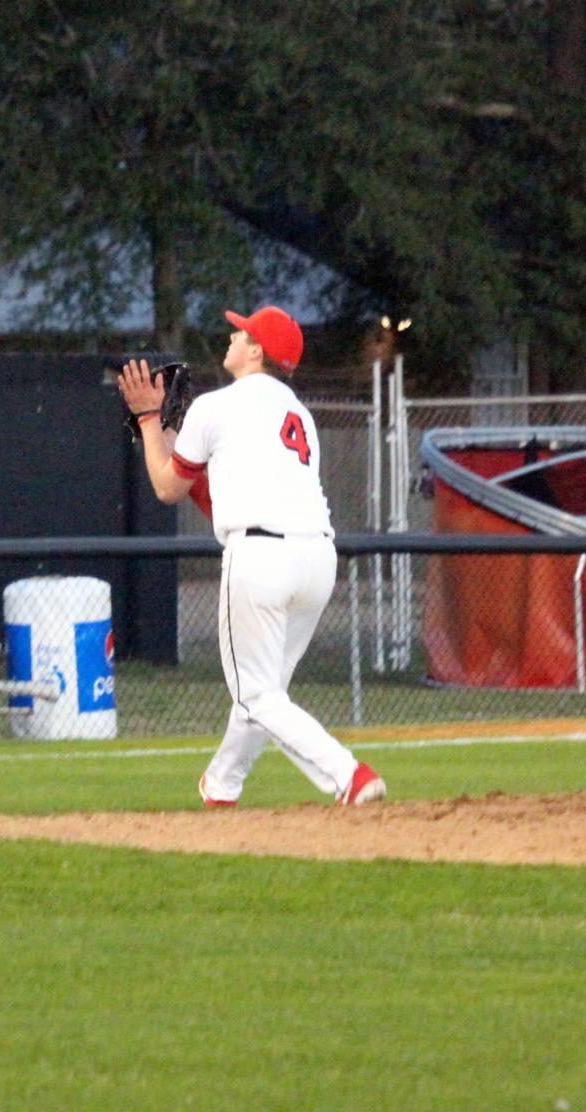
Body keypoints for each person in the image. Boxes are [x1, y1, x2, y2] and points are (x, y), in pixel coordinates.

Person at [118, 305, 386, 807]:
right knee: (265, 691)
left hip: (261, 559)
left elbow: (166, 486)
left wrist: (150, 421)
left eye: (241, 332)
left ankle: (349, 775)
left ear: (256, 350)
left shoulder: (216, 407)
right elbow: (213, 489)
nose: (232, 336)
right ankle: (221, 785)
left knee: (256, 695)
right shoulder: (298, 415)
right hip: (317, 559)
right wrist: (170, 434)